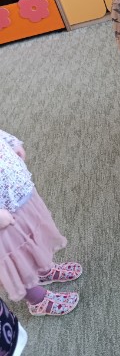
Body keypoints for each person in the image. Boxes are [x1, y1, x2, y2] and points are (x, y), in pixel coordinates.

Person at [0, 130, 81, 316]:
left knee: (31, 236)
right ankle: (37, 300)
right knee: (14, 257)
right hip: (2, 217)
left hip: (17, 191)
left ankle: (41, 270)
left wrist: (11, 142)